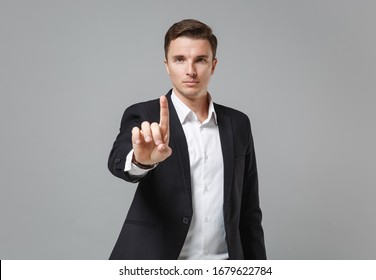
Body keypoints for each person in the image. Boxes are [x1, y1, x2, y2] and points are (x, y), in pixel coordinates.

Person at [108, 19, 266, 260]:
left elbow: (249, 211)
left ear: (213, 65)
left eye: (200, 60)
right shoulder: (145, 115)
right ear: (167, 65)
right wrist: (142, 161)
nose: (190, 70)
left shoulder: (238, 124)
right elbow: (119, 159)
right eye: (179, 59)